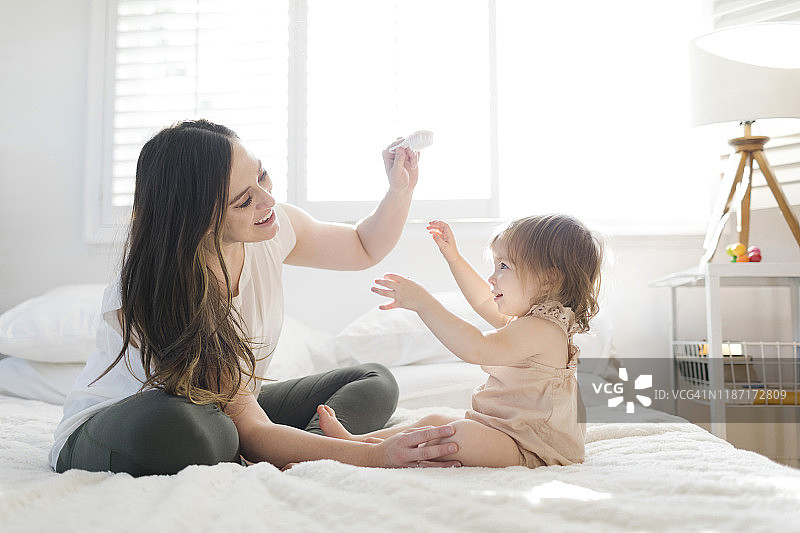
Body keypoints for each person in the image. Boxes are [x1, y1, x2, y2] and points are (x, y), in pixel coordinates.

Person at [49, 119, 461, 476]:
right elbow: (249, 427)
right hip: (133, 423)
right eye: (244, 200)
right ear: (195, 218)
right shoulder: (159, 287)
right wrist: (376, 458)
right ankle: (302, 451)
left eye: (261, 176)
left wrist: (399, 189)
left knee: (373, 379)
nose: (267, 201)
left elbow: (361, 246)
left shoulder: (272, 228)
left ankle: (308, 453)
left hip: (231, 411)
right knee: (191, 427)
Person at [317, 215, 603, 468]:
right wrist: (454, 258)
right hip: (506, 431)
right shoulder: (529, 322)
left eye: (503, 266)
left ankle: (362, 453)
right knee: (436, 421)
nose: (492, 277)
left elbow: (477, 347)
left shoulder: (542, 329)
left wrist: (424, 304)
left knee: (456, 435)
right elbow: (482, 300)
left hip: (533, 446)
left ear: (548, 279)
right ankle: (356, 443)